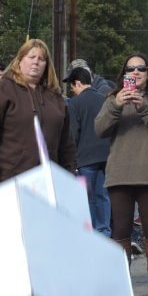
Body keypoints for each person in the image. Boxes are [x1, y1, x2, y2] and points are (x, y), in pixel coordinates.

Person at [94, 53, 148, 296]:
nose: (136, 72)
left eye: (141, 68)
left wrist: (143, 106)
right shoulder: (112, 98)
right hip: (120, 174)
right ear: (124, 74)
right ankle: (122, 284)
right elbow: (99, 129)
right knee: (120, 230)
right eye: (131, 69)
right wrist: (118, 105)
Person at [0, 39, 76, 184]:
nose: (36, 62)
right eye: (31, 57)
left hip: (48, 180)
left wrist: (70, 171)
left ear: (46, 65)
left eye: (41, 59)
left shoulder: (56, 97)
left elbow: (66, 141)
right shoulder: (1, 90)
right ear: (20, 60)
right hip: (10, 177)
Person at [63, 65, 111, 236]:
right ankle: (105, 230)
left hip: (85, 158)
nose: (72, 91)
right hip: (106, 155)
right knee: (103, 196)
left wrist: (71, 157)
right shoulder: (105, 99)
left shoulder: (74, 103)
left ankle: (90, 234)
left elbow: (74, 133)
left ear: (77, 83)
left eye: (71, 87)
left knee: (87, 198)